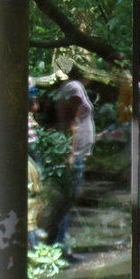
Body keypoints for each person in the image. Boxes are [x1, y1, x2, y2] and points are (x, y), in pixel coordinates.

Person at [50, 67, 95, 256]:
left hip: (77, 152)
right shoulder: (74, 87)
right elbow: (72, 122)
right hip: (74, 153)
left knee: (67, 202)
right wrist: (71, 152)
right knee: (67, 202)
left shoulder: (74, 87)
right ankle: (60, 248)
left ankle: (59, 246)